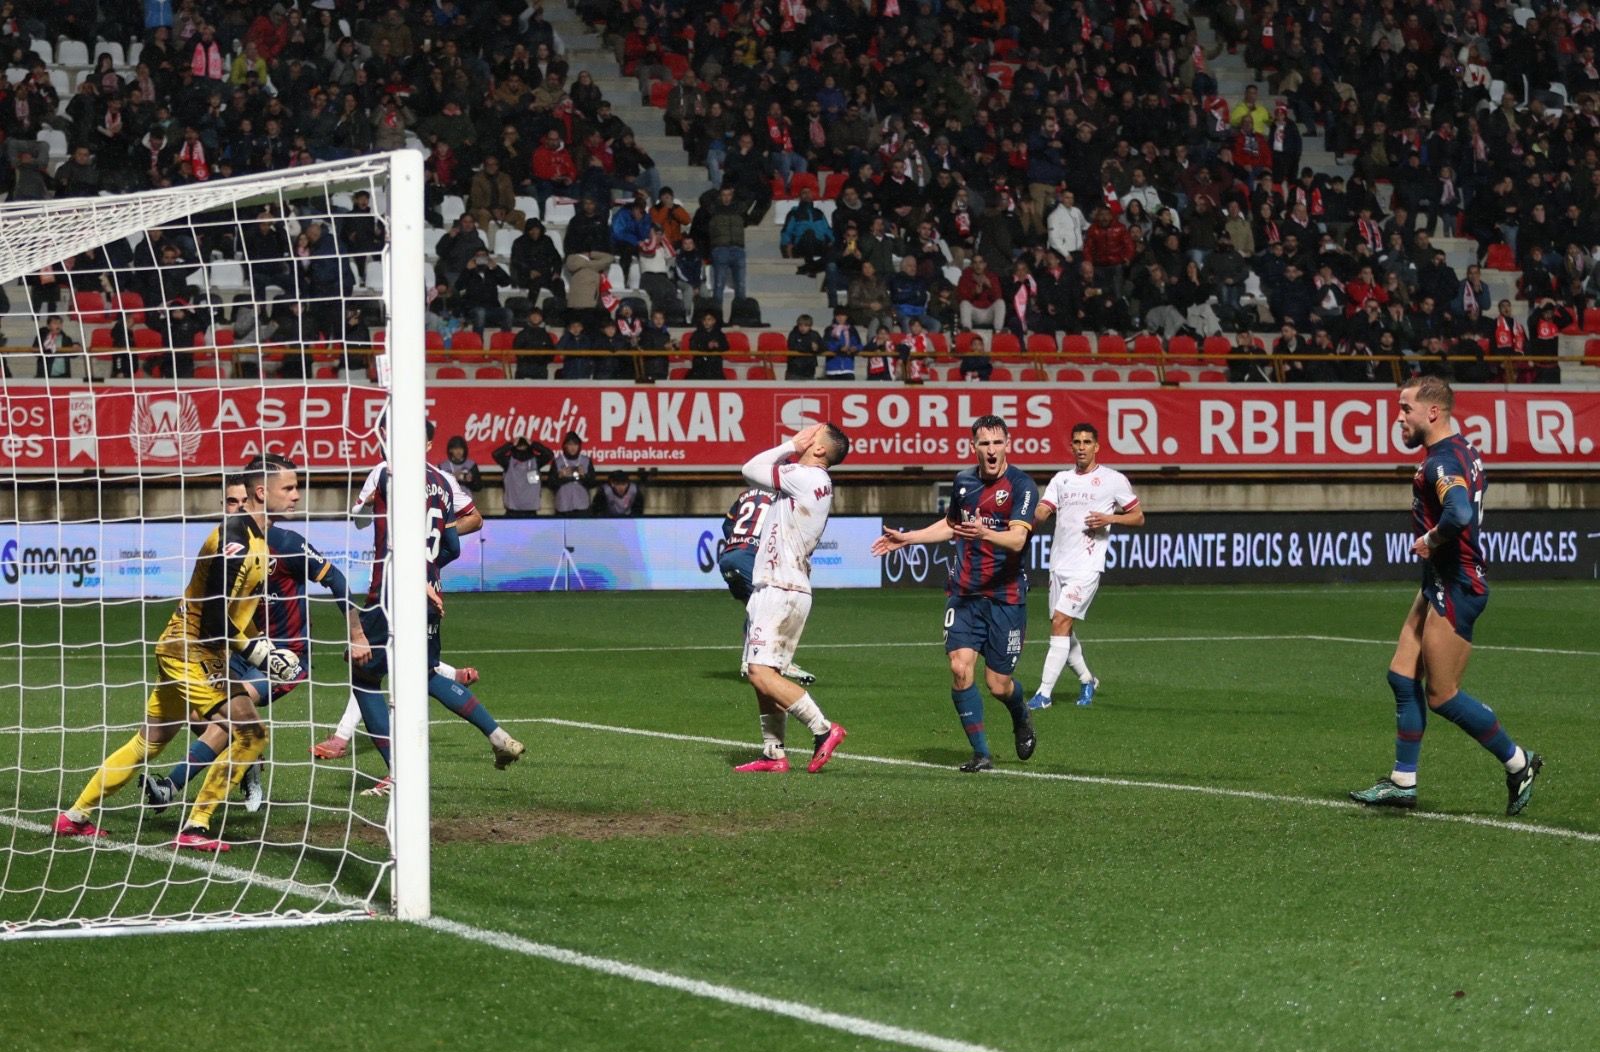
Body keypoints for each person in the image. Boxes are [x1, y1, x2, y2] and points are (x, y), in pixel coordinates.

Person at [56, 456, 297, 851]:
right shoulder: (235, 542)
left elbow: (237, 614)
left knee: (147, 742)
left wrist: (266, 646)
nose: (296, 495)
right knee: (251, 733)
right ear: (262, 491)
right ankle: (195, 827)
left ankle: (74, 816)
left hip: (180, 647)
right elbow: (214, 624)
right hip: (192, 651)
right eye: (288, 488)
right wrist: (259, 655)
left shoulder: (259, 543)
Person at [1349, 376, 1542, 816]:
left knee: (1443, 695)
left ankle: (1519, 762)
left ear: (1432, 412)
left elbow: (1458, 512)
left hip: (1458, 586)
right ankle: (1402, 782)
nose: (1398, 418)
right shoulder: (1464, 450)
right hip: (1441, 580)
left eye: (1405, 409)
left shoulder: (1440, 462)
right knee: (1401, 676)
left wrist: (1431, 539)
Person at [141, 465, 373, 815]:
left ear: (255, 497)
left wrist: (356, 634)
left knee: (230, 715)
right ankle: (248, 766)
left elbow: (337, 580)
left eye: (240, 501)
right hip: (239, 651)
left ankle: (171, 786)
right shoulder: (228, 545)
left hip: (284, 658)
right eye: (230, 502)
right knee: (197, 714)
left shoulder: (287, 544)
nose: (235, 509)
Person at [870, 416, 1038, 772]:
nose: (991, 451)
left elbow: (1018, 539)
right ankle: (981, 754)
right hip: (964, 593)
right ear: (973, 446)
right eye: (983, 444)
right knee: (960, 669)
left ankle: (1020, 711)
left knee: (998, 684)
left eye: (997, 443)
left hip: (1005, 596)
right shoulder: (963, 482)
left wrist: (984, 533)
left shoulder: (1022, 485)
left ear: (1008, 443)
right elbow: (950, 525)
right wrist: (909, 537)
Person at [731, 423, 851, 774]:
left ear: (819, 449)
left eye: (809, 435)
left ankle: (824, 729)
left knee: (759, 673)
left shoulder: (808, 476)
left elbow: (749, 470)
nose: (802, 436)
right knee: (766, 673)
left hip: (781, 588)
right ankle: (774, 753)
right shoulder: (812, 481)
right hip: (781, 585)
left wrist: (787, 444)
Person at [1028, 425, 1145, 709]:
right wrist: (1026, 524)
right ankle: (1086, 680)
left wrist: (1110, 518)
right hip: (1058, 565)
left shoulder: (1112, 480)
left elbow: (1138, 517)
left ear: (1097, 447)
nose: (1081, 446)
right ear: (1072, 446)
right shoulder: (1061, 480)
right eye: (1077, 442)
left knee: (1060, 623)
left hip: (1087, 567)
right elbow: (1043, 511)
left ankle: (1043, 694)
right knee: (1062, 631)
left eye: (1087, 442)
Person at [717, 487, 816, 686]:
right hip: (748, 557)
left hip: (728, 557)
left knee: (755, 607)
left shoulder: (746, 494)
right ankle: (779, 662)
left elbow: (727, 525)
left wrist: (740, 543)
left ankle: (751, 661)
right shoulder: (783, 497)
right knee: (775, 605)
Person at [493, 436, 553, 517]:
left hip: (531, 509)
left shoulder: (536, 461)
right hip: (512, 510)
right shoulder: (508, 461)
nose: (521, 448)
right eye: (519, 446)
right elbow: (496, 454)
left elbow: (549, 454)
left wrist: (533, 444)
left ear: (529, 447)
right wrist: (511, 444)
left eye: (524, 446)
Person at [550, 431, 596, 516]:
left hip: (582, 505)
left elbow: (592, 483)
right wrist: (560, 477)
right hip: (563, 505)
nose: (573, 447)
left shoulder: (586, 460)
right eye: (570, 444)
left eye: (575, 445)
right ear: (565, 446)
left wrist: (583, 476)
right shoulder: (557, 461)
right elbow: (551, 484)